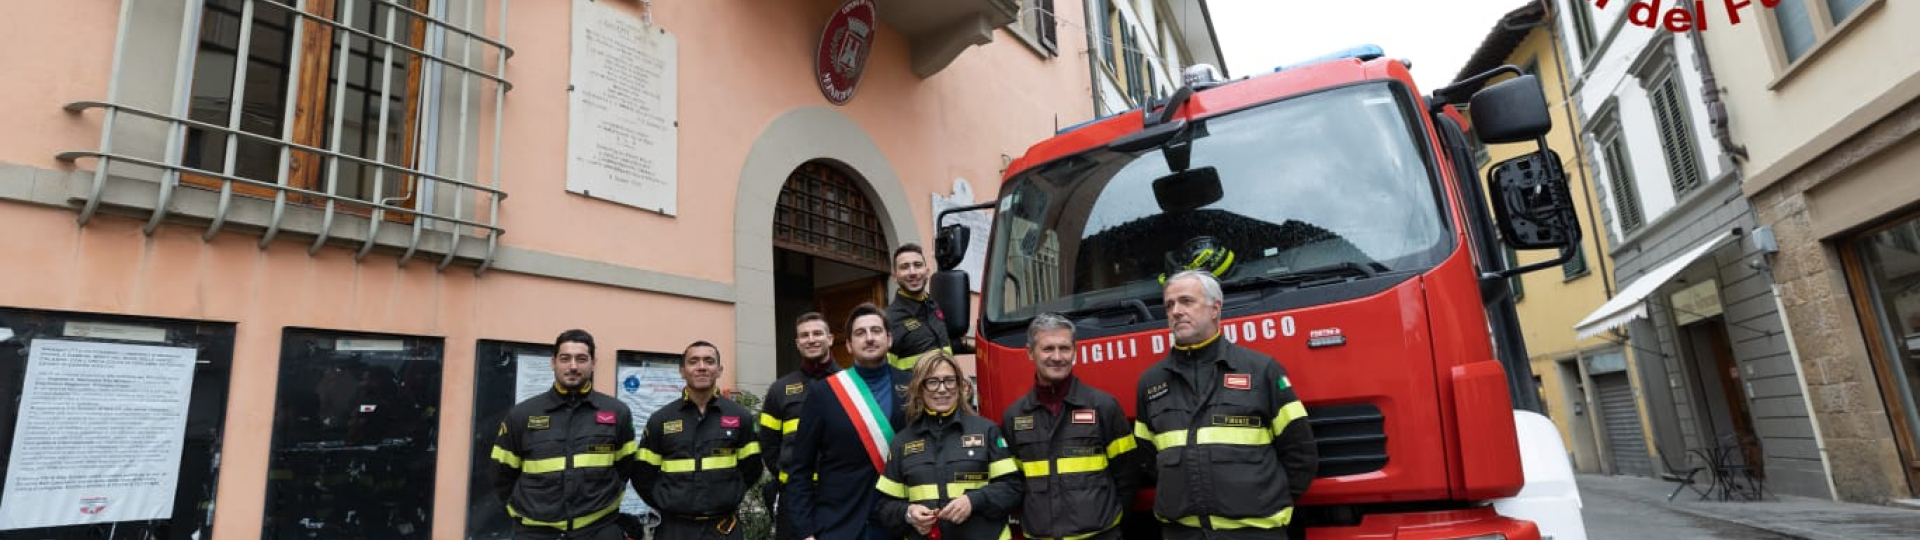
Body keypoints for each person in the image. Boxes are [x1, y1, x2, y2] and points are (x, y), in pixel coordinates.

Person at [1134, 271, 1316, 540]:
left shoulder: (1261, 370)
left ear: (1215, 308)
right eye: (1170, 305)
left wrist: (1264, 500)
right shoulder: (1152, 382)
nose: (1176, 311)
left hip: (1254, 534)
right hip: (1182, 534)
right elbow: (1147, 459)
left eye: (1186, 301)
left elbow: (1300, 452)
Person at [1002, 313, 1140, 540]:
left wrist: (1111, 523)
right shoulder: (1014, 418)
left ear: (1074, 352)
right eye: (1048, 349)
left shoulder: (1103, 407)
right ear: (1030, 353)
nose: (1057, 357)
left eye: (1064, 348)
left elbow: (1128, 475)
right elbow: (1014, 483)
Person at [491, 329, 639, 540]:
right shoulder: (522, 414)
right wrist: (527, 512)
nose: (573, 366)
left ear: (593, 363)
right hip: (536, 533)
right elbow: (501, 474)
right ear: (553, 363)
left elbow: (625, 468)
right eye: (565, 358)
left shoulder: (617, 413)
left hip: (597, 530)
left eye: (581, 359)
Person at [784, 303, 915, 540]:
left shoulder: (913, 386)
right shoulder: (823, 393)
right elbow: (800, 469)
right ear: (848, 345)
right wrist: (806, 532)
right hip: (840, 524)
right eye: (860, 333)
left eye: (876, 331)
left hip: (901, 522)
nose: (869, 338)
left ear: (889, 339)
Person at [874, 351, 1021, 540]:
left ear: (959, 385)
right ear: (920, 388)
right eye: (932, 381)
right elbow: (884, 507)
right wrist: (908, 513)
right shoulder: (902, 442)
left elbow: (1013, 488)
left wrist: (973, 501)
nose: (942, 389)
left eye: (949, 380)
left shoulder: (987, 431)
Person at [636, 341, 763, 540]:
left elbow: (752, 468)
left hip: (723, 528)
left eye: (709, 361)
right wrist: (666, 501)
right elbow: (642, 474)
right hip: (674, 528)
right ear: (682, 371)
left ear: (719, 370)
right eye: (693, 361)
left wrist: (730, 494)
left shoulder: (740, 417)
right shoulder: (661, 419)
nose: (701, 366)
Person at [760, 312, 841, 540]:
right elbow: (768, 444)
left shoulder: (849, 383)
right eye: (804, 335)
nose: (811, 339)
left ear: (830, 339)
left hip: (838, 493)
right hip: (794, 495)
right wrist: (791, 475)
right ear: (797, 343)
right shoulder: (780, 389)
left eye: (817, 333)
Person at [886, 243, 953, 370]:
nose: (912, 272)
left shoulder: (935, 306)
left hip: (946, 387)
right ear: (895, 276)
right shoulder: (889, 320)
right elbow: (885, 371)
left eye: (917, 265)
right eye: (904, 267)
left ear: (927, 271)